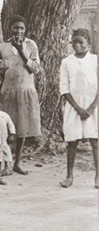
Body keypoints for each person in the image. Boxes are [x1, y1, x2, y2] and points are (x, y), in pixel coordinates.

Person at [0, 15, 42, 175]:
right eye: (15, 27)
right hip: (8, 92)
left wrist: (22, 52)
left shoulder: (31, 45)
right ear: (10, 28)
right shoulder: (2, 47)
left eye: (22, 28)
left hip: (26, 91)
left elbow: (35, 68)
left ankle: (17, 163)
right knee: (5, 129)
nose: (19, 31)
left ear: (25, 30)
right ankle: (5, 164)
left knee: (21, 129)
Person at [58, 29, 99, 189]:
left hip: (93, 107)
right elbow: (64, 88)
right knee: (72, 141)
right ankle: (69, 175)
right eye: (74, 42)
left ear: (88, 43)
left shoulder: (95, 61)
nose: (77, 45)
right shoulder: (66, 62)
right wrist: (77, 108)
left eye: (81, 42)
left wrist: (90, 108)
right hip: (74, 106)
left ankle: (97, 176)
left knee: (95, 141)